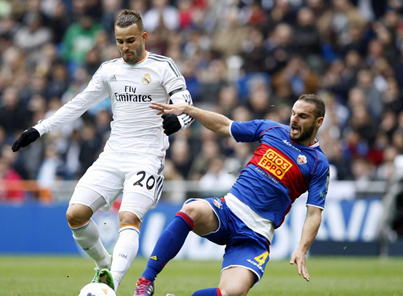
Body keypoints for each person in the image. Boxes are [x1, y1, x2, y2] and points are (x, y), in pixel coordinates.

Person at [11, 9, 193, 292]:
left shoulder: (162, 66)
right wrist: (39, 129)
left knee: (129, 218)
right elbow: (78, 103)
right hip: (113, 155)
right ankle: (104, 265)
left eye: (131, 40)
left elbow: (186, 102)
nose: (125, 47)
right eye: (120, 41)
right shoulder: (109, 70)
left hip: (146, 157)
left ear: (143, 37)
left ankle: (111, 285)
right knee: (75, 214)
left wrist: (179, 119)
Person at [134, 94, 330, 296]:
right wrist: (190, 110)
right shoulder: (272, 129)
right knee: (191, 209)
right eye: (293, 113)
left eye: (303, 116)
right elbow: (225, 126)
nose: (294, 119)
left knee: (233, 293)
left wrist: (301, 249)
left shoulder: (318, 163)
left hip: (255, 235)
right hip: (227, 211)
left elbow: (314, 213)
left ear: (319, 122)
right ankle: (145, 281)